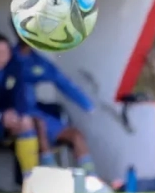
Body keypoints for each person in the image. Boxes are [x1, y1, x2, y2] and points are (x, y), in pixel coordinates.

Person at [12, 37, 96, 173]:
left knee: (76, 136)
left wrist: (88, 106)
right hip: (13, 115)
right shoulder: (7, 57)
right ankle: (51, 174)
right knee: (39, 125)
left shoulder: (38, 61)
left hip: (34, 111)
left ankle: (92, 178)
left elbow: (62, 81)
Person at [0, 33, 39, 193]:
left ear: (9, 53)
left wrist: (16, 114)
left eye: (3, 53)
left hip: (7, 123)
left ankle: (31, 182)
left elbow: (22, 98)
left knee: (26, 122)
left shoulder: (15, 68)